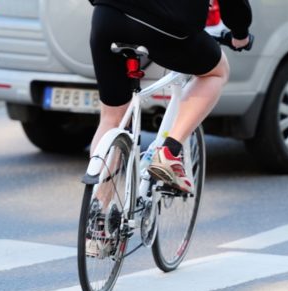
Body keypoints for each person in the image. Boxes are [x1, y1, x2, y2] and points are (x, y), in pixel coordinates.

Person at [87, 0, 252, 194]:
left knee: (111, 119)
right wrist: (240, 34)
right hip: (165, 24)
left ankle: (98, 214)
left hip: (107, 15)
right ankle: (169, 151)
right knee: (218, 71)